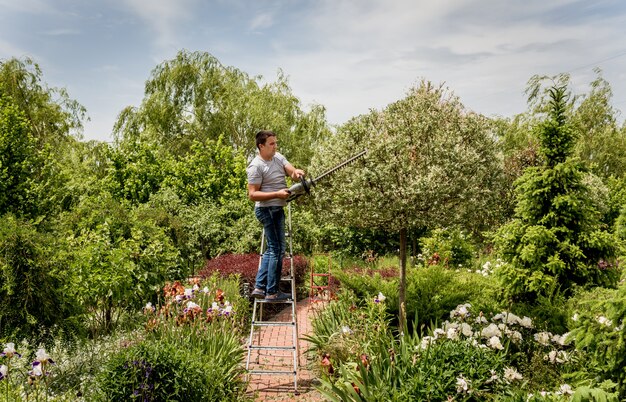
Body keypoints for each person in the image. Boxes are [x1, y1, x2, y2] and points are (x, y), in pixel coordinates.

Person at [247, 130, 305, 301]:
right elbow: (252, 195)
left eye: (275, 143)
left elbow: (291, 171)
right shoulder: (255, 166)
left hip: (277, 209)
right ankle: (272, 291)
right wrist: (277, 194)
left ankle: (259, 287)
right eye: (271, 144)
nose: (275, 146)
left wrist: (297, 173)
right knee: (277, 250)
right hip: (266, 210)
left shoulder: (278, 157)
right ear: (261, 146)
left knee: (274, 250)